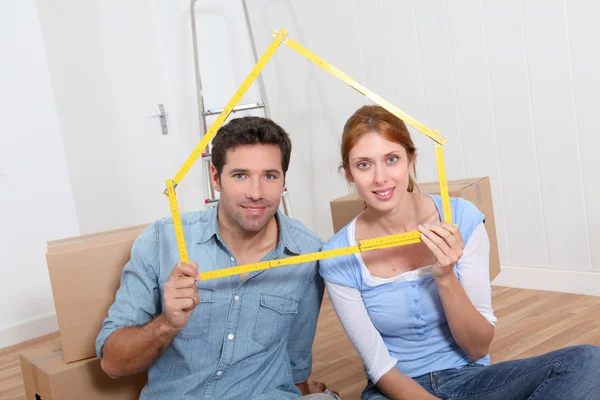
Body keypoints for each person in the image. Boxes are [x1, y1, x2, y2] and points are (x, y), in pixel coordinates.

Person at [319, 105, 600, 400]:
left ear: (411, 160)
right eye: (364, 164)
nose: (380, 178)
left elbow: (478, 347)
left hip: (470, 380)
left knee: (587, 362)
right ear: (348, 173)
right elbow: (379, 368)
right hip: (395, 391)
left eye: (391, 159)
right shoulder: (338, 254)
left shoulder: (461, 218)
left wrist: (445, 277)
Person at [97, 116, 340, 400]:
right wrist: (167, 323)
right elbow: (112, 363)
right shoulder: (162, 240)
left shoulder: (308, 254)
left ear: (284, 180)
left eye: (269, 176)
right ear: (215, 178)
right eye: (240, 175)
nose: (256, 193)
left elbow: (296, 364)